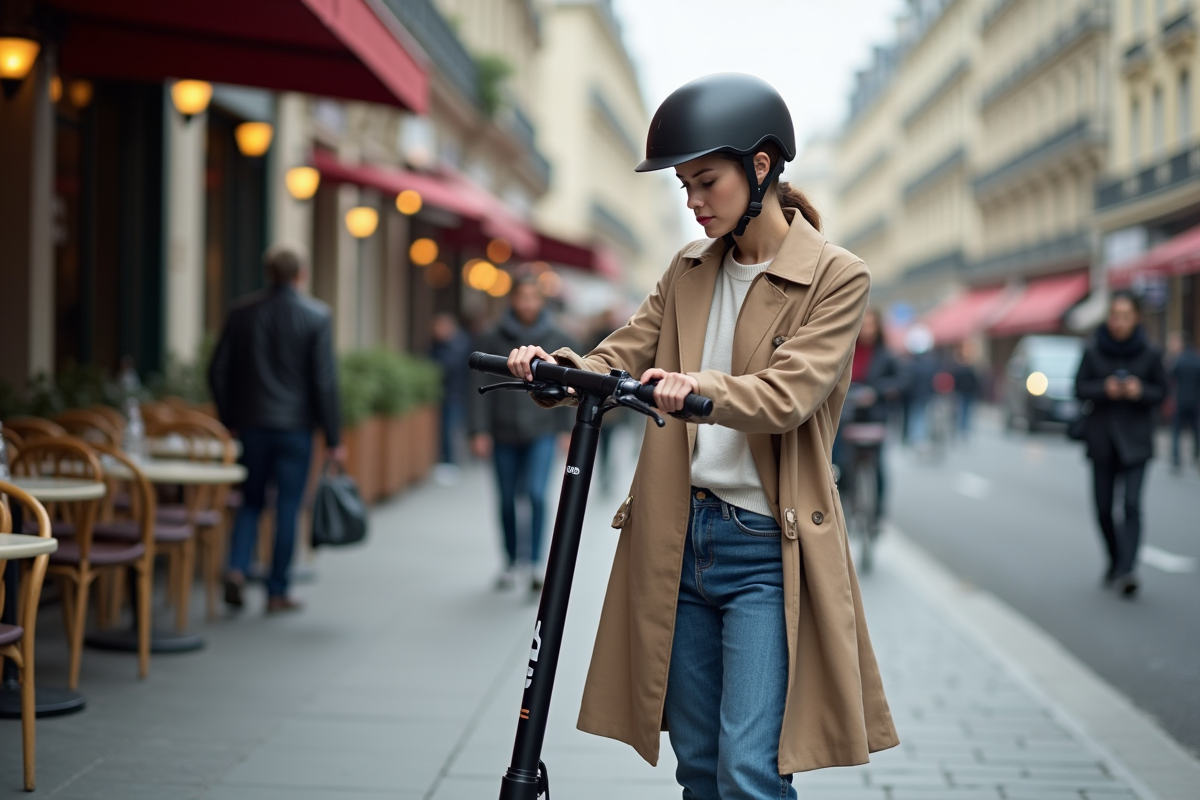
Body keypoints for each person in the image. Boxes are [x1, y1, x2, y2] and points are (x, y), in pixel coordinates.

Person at [500, 74, 897, 798]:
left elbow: (788, 395)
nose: (692, 201)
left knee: (750, 769)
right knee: (701, 767)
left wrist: (699, 389)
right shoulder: (687, 268)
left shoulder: (835, 278)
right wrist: (562, 368)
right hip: (676, 539)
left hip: (763, 551)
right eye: (684, 186)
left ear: (762, 166)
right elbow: (624, 349)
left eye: (705, 181)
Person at [208, 244, 344, 614]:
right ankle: (277, 590)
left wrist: (229, 418)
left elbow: (216, 370)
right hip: (295, 429)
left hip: (250, 425)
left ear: (269, 273)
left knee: (250, 502)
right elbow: (324, 381)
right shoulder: (316, 315)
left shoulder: (241, 313)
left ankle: (237, 568)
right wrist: (333, 437)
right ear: (301, 273)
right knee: (287, 506)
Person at [469, 277, 575, 592]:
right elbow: (476, 386)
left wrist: (567, 430)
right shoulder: (491, 336)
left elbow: (573, 383)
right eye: (521, 297)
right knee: (506, 499)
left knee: (537, 494)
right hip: (502, 429)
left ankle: (535, 563)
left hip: (543, 428)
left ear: (541, 301)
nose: (527, 303)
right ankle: (511, 560)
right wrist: (479, 430)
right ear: (512, 299)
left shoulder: (559, 337)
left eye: (533, 297)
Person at [1074, 292, 1167, 597]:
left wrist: (1140, 390)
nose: (1118, 322)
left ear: (1136, 318)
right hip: (1102, 440)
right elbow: (1079, 387)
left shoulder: (1150, 353)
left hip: (1136, 441)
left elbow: (1162, 392)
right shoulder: (1093, 349)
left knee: (1131, 504)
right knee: (1102, 509)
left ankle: (1128, 570)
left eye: (1125, 315)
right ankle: (1115, 560)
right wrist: (1104, 389)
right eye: (1114, 315)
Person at [832, 307, 903, 514]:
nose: (867, 329)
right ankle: (846, 504)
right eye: (863, 324)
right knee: (843, 464)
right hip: (848, 416)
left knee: (877, 464)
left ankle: (877, 512)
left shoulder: (886, 355)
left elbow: (901, 381)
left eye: (871, 324)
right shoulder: (847, 351)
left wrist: (876, 393)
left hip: (875, 418)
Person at [428, 313, 472, 485]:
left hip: (456, 394)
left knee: (450, 428)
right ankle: (447, 461)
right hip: (445, 394)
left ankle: (451, 462)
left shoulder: (459, 345)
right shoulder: (438, 344)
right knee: (445, 428)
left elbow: (449, 367)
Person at [1166, 331, 1200, 472]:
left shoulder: (1179, 360)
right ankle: (1196, 455)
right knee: (1195, 430)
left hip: (1180, 400)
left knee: (1176, 431)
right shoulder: (1197, 360)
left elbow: (1170, 377)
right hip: (1195, 400)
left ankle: (1176, 458)